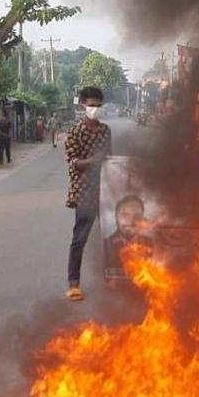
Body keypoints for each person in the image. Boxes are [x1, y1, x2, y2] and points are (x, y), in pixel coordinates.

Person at [64, 86, 112, 301]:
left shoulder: (105, 131)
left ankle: (112, 276)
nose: (95, 109)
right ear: (83, 105)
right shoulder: (75, 132)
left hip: (107, 190)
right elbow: (74, 163)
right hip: (84, 192)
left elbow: (110, 159)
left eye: (98, 105)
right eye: (91, 105)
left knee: (111, 235)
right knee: (80, 238)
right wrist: (94, 161)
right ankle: (74, 283)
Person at [104, 195, 149, 282]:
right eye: (125, 215)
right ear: (116, 218)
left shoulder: (150, 246)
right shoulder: (105, 246)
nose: (131, 221)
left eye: (137, 216)